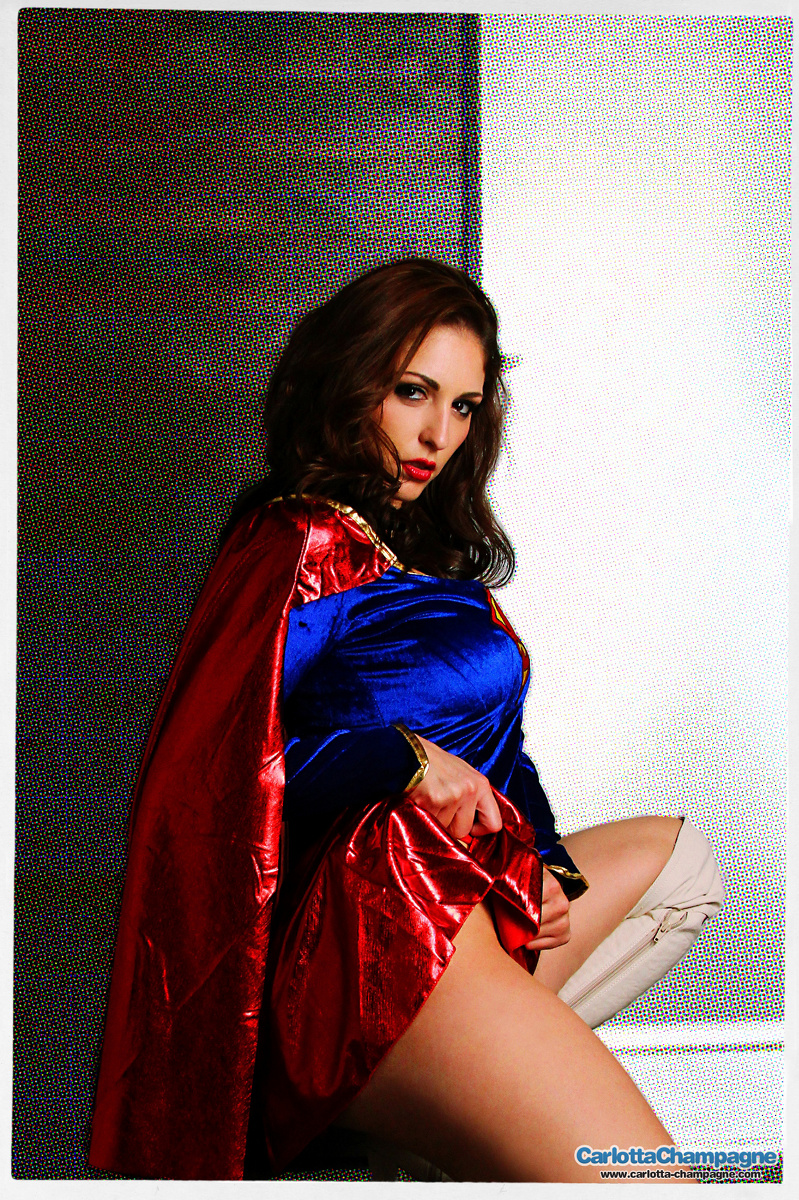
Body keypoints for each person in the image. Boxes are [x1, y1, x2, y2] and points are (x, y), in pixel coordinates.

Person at [89, 259, 723, 1183]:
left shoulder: (409, 557)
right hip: (385, 934)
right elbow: (218, 780)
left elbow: (499, 747)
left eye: (463, 406)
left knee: (678, 860)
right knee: (651, 1183)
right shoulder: (299, 542)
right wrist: (402, 759)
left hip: (476, 899)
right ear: (353, 384)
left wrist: (547, 861)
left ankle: (416, 1119)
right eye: (413, 393)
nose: (438, 435)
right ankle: (386, 1079)